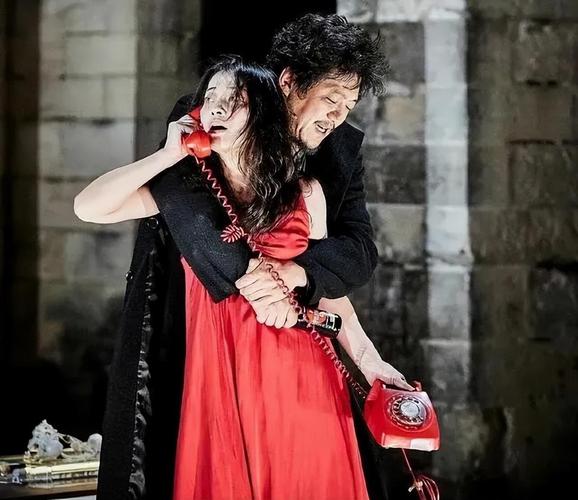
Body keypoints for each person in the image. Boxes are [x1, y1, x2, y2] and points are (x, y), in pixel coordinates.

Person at [74, 14, 398, 500]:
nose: (337, 117)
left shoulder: (312, 184)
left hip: (293, 359)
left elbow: (353, 257)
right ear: (288, 83)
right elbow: (159, 214)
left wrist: (364, 354)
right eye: (331, 98)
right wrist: (169, 156)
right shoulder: (202, 142)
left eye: (347, 105)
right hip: (210, 350)